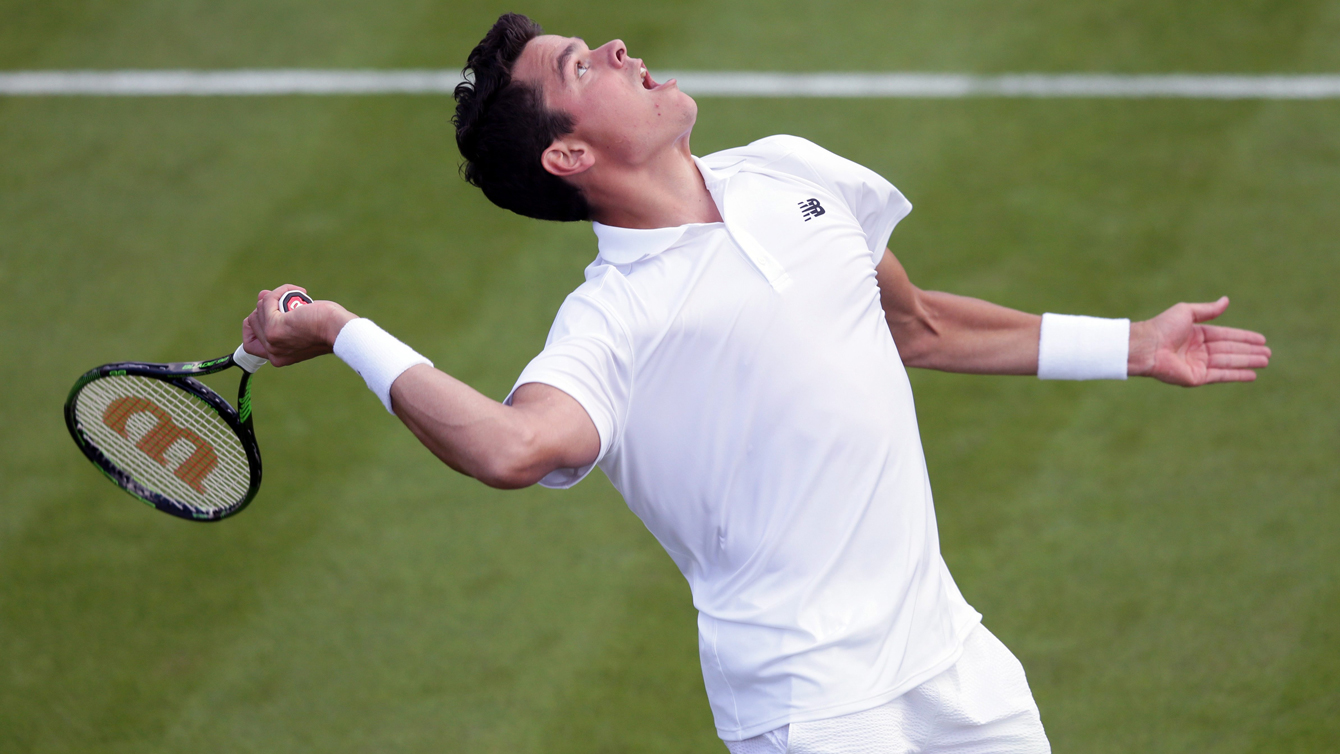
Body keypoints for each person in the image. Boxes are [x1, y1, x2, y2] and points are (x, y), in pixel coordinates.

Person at [242, 13, 1271, 753]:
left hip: (949, 655)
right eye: (575, 62)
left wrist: (1129, 344)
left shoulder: (789, 172)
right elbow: (512, 448)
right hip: (812, 704)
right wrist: (343, 332)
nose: (612, 45)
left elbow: (912, 325)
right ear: (566, 150)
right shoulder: (611, 320)